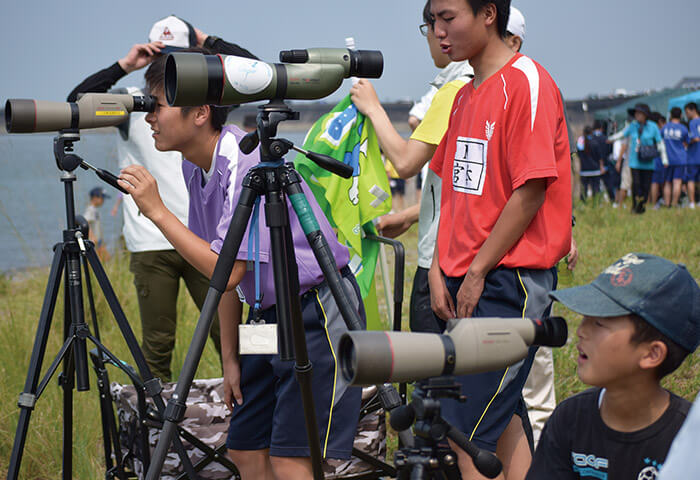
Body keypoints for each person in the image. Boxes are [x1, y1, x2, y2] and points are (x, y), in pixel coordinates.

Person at [118, 50, 364, 480]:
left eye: (156, 105)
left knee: (291, 459)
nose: (149, 117)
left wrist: (158, 211)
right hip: (264, 319)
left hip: (316, 309)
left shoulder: (245, 161)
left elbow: (226, 270)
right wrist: (230, 357)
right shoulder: (196, 167)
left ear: (199, 112)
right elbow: (225, 275)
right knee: (246, 448)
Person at [67, 15, 257, 382]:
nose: (169, 65)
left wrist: (210, 42)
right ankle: (159, 430)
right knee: (157, 345)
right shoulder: (135, 105)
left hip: (208, 239)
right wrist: (123, 66)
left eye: (180, 56)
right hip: (151, 239)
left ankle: (243, 399)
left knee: (234, 336)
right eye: (161, 56)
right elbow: (75, 106)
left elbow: (257, 75)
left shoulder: (203, 100)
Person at [427, 2, 572, 479]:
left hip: (509, 280)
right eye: (431, 21)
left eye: (448, 17)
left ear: (488, 13)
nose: (438, 31)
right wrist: (436, 267)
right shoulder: (465, 93)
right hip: (463, 276)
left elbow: (530, 191)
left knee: (467, 430)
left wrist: (476, 271)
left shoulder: (527, 82)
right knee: (501, 415)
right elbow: (451, 189)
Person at [351, 0, 473, 335]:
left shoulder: (456, 89)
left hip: (443, 261)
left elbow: (405, 162)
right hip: (467, 259)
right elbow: (461, 190)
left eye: (442, 21)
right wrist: (409, 216)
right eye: (433, 23)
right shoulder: (486, 83)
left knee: (433, 377)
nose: (437, 33)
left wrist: (374, 109)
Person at [527, 253, 699, 479]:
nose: (581, 331)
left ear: (652, 353)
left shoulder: (688, 438)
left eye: (599, 323)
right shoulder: (568, 420)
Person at [617, 103, 662, 214]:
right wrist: (609, 139)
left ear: (645, 115)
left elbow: (659, 142)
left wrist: (664, 158)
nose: (637, 116)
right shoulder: (632, 125)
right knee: (636, 184)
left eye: (640, 113)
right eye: (636, 113)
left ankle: (641, 206)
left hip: (648, 161)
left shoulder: (653, 126)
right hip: (634, 161)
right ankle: (635, 205)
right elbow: (622, 135)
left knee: (645, 186)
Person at [661, 107, 689, 207]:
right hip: (680, 159)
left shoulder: (665, 128)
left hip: (667, 159)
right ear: (681, 116)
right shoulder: (683, 128)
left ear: (671, 115)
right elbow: (686, 143)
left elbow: (661, 141)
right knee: (677, 181)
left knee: (667, 182)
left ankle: (667, 204)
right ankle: (674, 204)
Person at [577, 126, 603, 202]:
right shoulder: (595, 143)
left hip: (584, 170)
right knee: (596, 189)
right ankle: (596, 203)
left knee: (583, 190)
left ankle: (583, 204)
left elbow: (578, 155)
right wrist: (601, 167)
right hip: (595, 170)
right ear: (591, 132)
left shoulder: (580, 143)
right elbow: (599, 157)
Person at [84, 186, 111, 260]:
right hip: (94, 241)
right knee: (98, 260)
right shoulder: (91, 210)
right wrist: (92, 237)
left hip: (98, 240)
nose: (103, 201)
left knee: (106, 259)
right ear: (95, 198)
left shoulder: (95, 210)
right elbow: (86, 223)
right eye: (102, 198)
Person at [649, 112, 668, 208]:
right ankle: (664, 201)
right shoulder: (660, 131)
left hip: (651, 159)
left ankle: (653, 203)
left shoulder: (649, 131)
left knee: (653, 182)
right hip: (660, 159)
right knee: (662, 182)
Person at [684, 102, 700, 208]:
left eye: (687, 112)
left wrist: (687, 142)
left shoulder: (693, 122)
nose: (686, 115)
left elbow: (695, 138)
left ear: (693, 110)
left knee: (690, 180)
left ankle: (692, 203)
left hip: (694, 156)